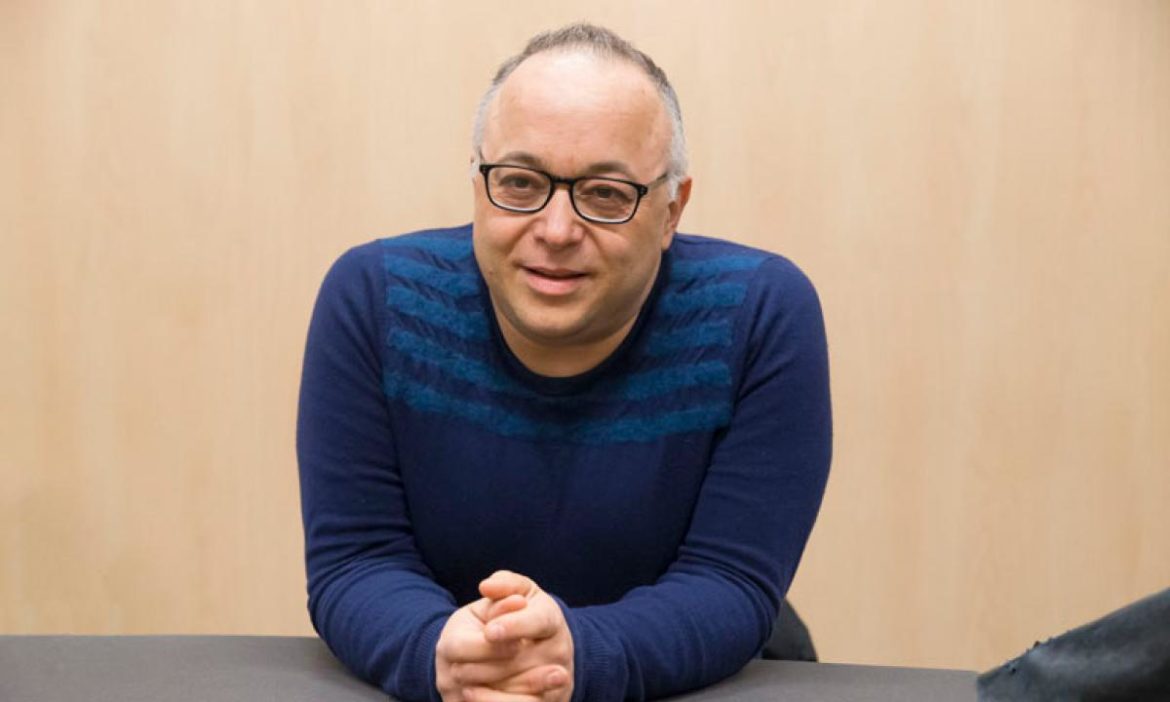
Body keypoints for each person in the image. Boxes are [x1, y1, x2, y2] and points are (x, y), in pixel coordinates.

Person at [296, 23, 832, 702]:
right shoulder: (376, 299)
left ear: (672, 209)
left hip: (686, 677)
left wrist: (576, 656)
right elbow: (357, 561)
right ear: (478, 182)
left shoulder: (760, 313)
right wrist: (440, 651)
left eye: (606, 194)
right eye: (520, 183)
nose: (555, 230)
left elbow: (729, 580)